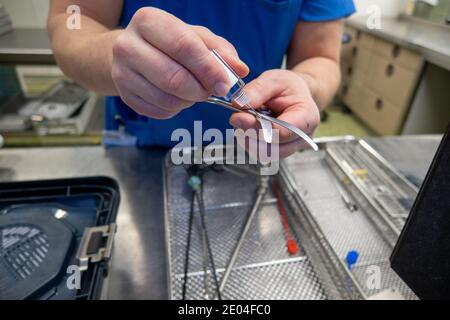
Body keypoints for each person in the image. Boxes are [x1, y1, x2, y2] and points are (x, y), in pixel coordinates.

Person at [47, 0, 355, 157]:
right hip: (143, 152)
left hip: (253, 154)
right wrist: (113, 54)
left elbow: (321, 58)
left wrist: (307, 87)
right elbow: (72, 20)